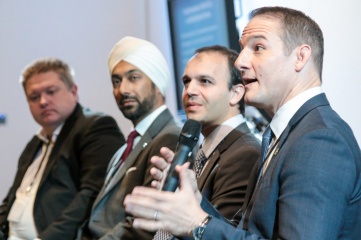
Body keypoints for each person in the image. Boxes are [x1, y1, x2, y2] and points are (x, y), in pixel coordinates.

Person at [123, 6, 361, 239]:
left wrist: (199, 224)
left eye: (258, 48)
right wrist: (197, 204)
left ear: (300, 57)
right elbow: (252, 232)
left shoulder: (319, 139)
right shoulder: (290, 134)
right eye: (242, 49)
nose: (240, 62)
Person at [0, 58, 125, 240]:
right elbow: (11, 198)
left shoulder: (96, 127)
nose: (43, 101)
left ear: (73, 91)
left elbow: (92, 196)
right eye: (34, 97)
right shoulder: (35, 143)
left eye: (51, 92)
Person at [152, 45, 261, 240]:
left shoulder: (245, 153)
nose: (189, 91)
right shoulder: (200, 151)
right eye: (186, 82)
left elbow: (219, 233)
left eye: (205, 81)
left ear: (236, 93)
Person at [82, 36, 182, 240]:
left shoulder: (170, 137)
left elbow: (145, 223)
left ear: (157, 82)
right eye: (116, 81)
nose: (123, 90)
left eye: (133, 78)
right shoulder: (126, 146)